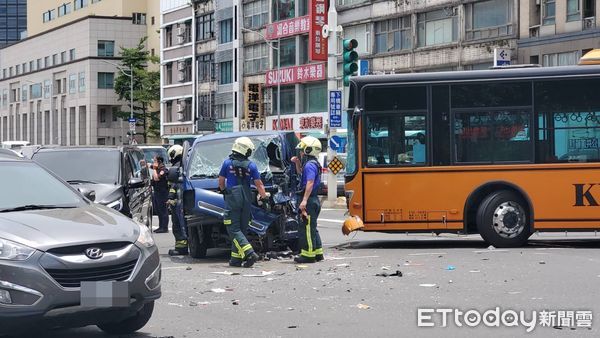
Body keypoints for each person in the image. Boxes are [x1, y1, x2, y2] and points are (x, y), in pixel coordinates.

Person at [218, 137, 269, 268]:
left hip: (233, 199)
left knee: (233, 229)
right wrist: (264, 199)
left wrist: (224, 192)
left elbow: (221, 181)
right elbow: (259, 185)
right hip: (246, 198)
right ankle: (235, 259)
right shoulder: (251, 165)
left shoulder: (226, 163)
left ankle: (249, 253)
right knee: (242, 229)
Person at [291, 136, 324, 264]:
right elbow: (302, 175)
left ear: (308, 150)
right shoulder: (313, 164)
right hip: (314, 199)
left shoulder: (310, 165)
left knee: (307, 228)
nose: (300, 152)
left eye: (302, 150)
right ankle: (318, 252)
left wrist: (304, 201)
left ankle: (308, 254)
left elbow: (309, 183)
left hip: (309, 200)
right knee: (312, 227)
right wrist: (297, 164)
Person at [166, 145, 189, 256]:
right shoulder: (186, 164)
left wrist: (170, 197)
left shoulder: (176, 168)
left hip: (178, 201)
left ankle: (181, 248)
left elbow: (173, 186)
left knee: (178, 224)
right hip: (184, 199)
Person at [150, 155, 169, 233]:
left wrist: (154, 169)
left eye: (155, 161)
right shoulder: (157, 168)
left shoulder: (163, 170)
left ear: (159, 162)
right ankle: (160, 226)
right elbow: (150, 166)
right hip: (157, 192)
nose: (153, 163)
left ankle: (164, 227)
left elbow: (156, 178)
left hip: (162, 192)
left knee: (163, 210)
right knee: (158, 210)